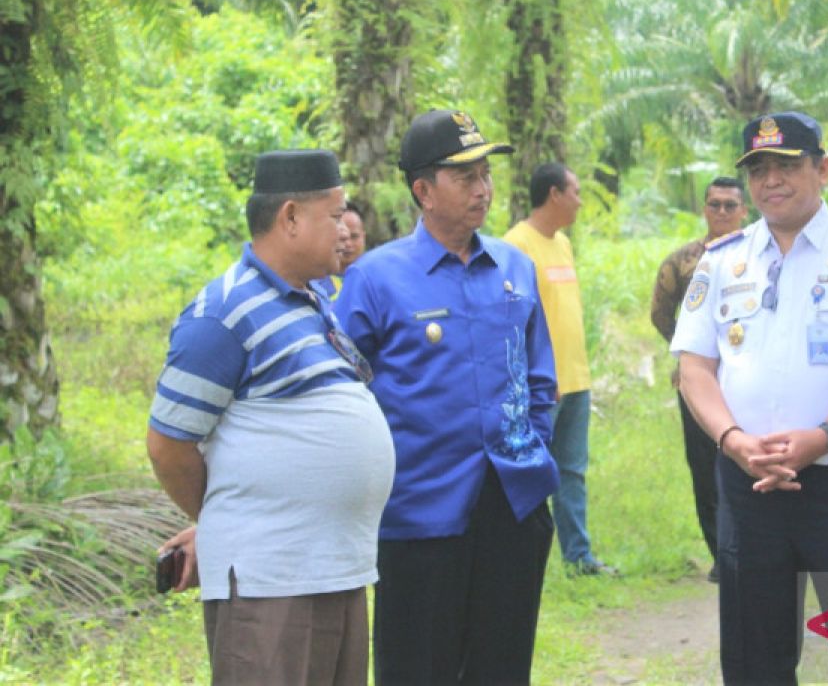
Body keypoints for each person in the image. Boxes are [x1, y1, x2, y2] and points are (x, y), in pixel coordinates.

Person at [146, 149, 394, 686]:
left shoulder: (312, 300)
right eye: (335, 216)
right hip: (272, 584)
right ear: (290, 219)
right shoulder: (221, 314)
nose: (347, 232)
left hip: (333, 571)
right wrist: (223, 520)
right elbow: (168, 446)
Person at [334, 109, 559, 685]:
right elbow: (342, 397)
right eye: (465, 177)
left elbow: (540, 379)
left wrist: (532, 447)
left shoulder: (515, 267)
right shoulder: (374, 278)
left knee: (502, 667)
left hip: (512, 503)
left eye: (485, 174)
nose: (482, 189)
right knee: (418, 669)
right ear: (423, 191)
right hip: (419, 512)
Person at [671, 112, 828, 686]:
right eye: (759, 169)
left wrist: (826, 436)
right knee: (754, 659)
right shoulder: (722, 261)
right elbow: (694, 368)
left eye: (787, 165)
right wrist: (734, 440)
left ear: (822, 168)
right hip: (750, 486)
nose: (772, 180)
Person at [504, 162, 615, 576]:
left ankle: (578, 556)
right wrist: (535, 376)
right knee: (532, 470)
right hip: (541, 385)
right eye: (576, 191)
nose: (580, 201)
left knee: (572, 470)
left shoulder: (563, 244)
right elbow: (514, 320)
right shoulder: (517, 245)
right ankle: (524, 557)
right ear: (554, 194)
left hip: (576, 380)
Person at [651, 176, 748, 583]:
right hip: (698, 383)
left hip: (746, 381)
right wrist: (692, 354)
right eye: (714, 205)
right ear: (704, 209)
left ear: (744, 210)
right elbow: (660, 313)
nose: (722, 212)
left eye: (730, 205)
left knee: (747, 462)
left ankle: (753, 549)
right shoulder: (683, 262)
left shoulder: (760, 256)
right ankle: (721, 556)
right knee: (705, 469)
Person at [314, 201, 366, 299]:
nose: (348, 243)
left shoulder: (374, 277)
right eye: (341, 236)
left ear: (364, 236)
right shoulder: (316, 284)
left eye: (354, 236)